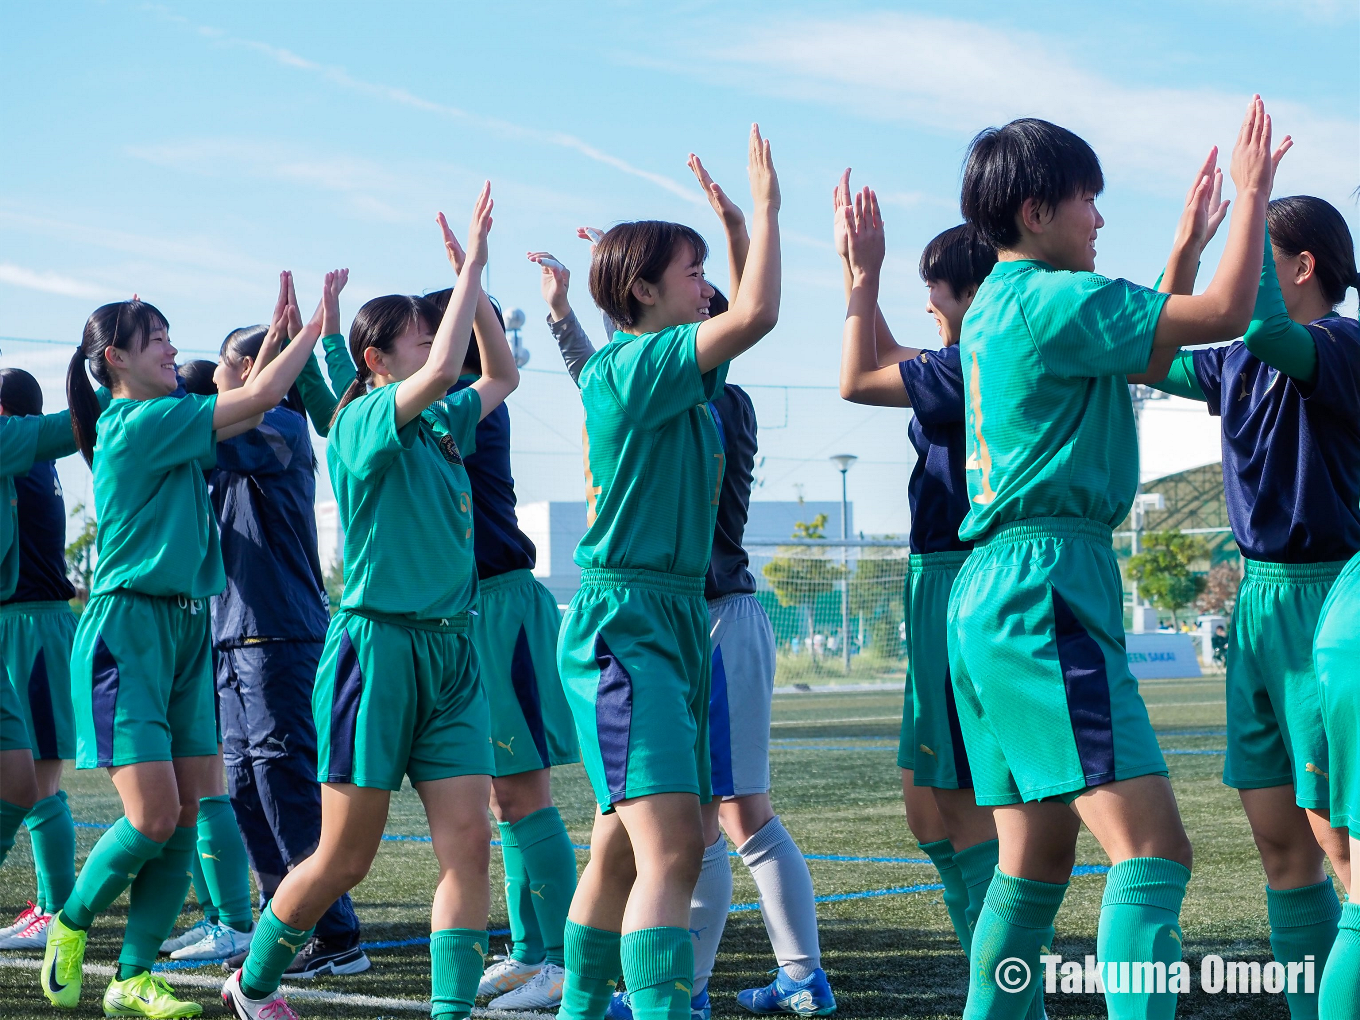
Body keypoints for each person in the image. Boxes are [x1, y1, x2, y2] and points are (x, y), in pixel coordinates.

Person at [947, 97, 1278, 1020]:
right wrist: (1254, 195)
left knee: (1035, 858)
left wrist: (1186, 243)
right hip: (1045, 589)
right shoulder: (1055, 299)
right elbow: (1218, 313)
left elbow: (1148, 335)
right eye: (1088, 200)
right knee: (1154, 852)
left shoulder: (1001, 304)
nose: (1099, 218)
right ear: (1034, 213)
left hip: (991, 592)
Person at [529, 148, 829, 1020]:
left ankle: (584, 1008)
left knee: (631, 851)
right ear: (644, 297)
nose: (707, 289)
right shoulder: (639, 368)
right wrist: (769, 207)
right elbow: (760, 311)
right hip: (627, 624)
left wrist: (734, 231)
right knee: (669, 854)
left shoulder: (670, 377)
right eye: (692, 274)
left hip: (667, 620)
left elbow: (737, 313)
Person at [221, 184, 519, 1020]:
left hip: (452, 653)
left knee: (470, 845)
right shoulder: (362, 422)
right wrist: (471, 276)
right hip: (376, 651)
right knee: (345, 858)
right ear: (378, 361)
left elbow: (503, 370)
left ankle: (451, 1011)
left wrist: (474, 280)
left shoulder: (445, 422)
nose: (439, 345)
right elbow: (442, 367)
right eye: (421, 339)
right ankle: (253, 981)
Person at [39, 285, 327, 1018]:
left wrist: (279, 350)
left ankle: (132, 976)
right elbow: (258, 395)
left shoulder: (164, 419)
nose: (173, 349)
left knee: (193, 811)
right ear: (116, 359)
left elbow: (257, 402)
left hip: (184, 628)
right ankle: (69, 923)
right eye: (158, 338)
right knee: (151, 819)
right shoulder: (137, 422)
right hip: (128, 631)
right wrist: (314, 327)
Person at [833, 186, 1059, 1015]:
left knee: (961, 807)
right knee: (926, 804)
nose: (925, 299)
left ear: (970, 291)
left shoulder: (975, 362)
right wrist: (863, 275)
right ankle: (999, 977)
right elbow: (887, 353)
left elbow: (860, 374)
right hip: (938, 579)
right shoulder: (955, 358)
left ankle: (1008, 989)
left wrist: (861, 276)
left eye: (936, 284)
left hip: (963, 574)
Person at [1156, 194, 1358, 1019]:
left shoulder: (1341, 343)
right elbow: (1153, 346)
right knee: (1282, 847)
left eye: (1256, 253)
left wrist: (1243, 198)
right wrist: (1186, 246)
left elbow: (1275, 333)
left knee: (1342, 852)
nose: (1236, 273)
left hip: (1332, 600)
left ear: (1302, 268)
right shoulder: (1236, 358)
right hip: (1257, 602)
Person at [0, 370, 79, 954]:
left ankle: (55, 910)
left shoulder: (15, 456)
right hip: (43, 622)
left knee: (38, 781)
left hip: (25, 628)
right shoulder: (42, 466)